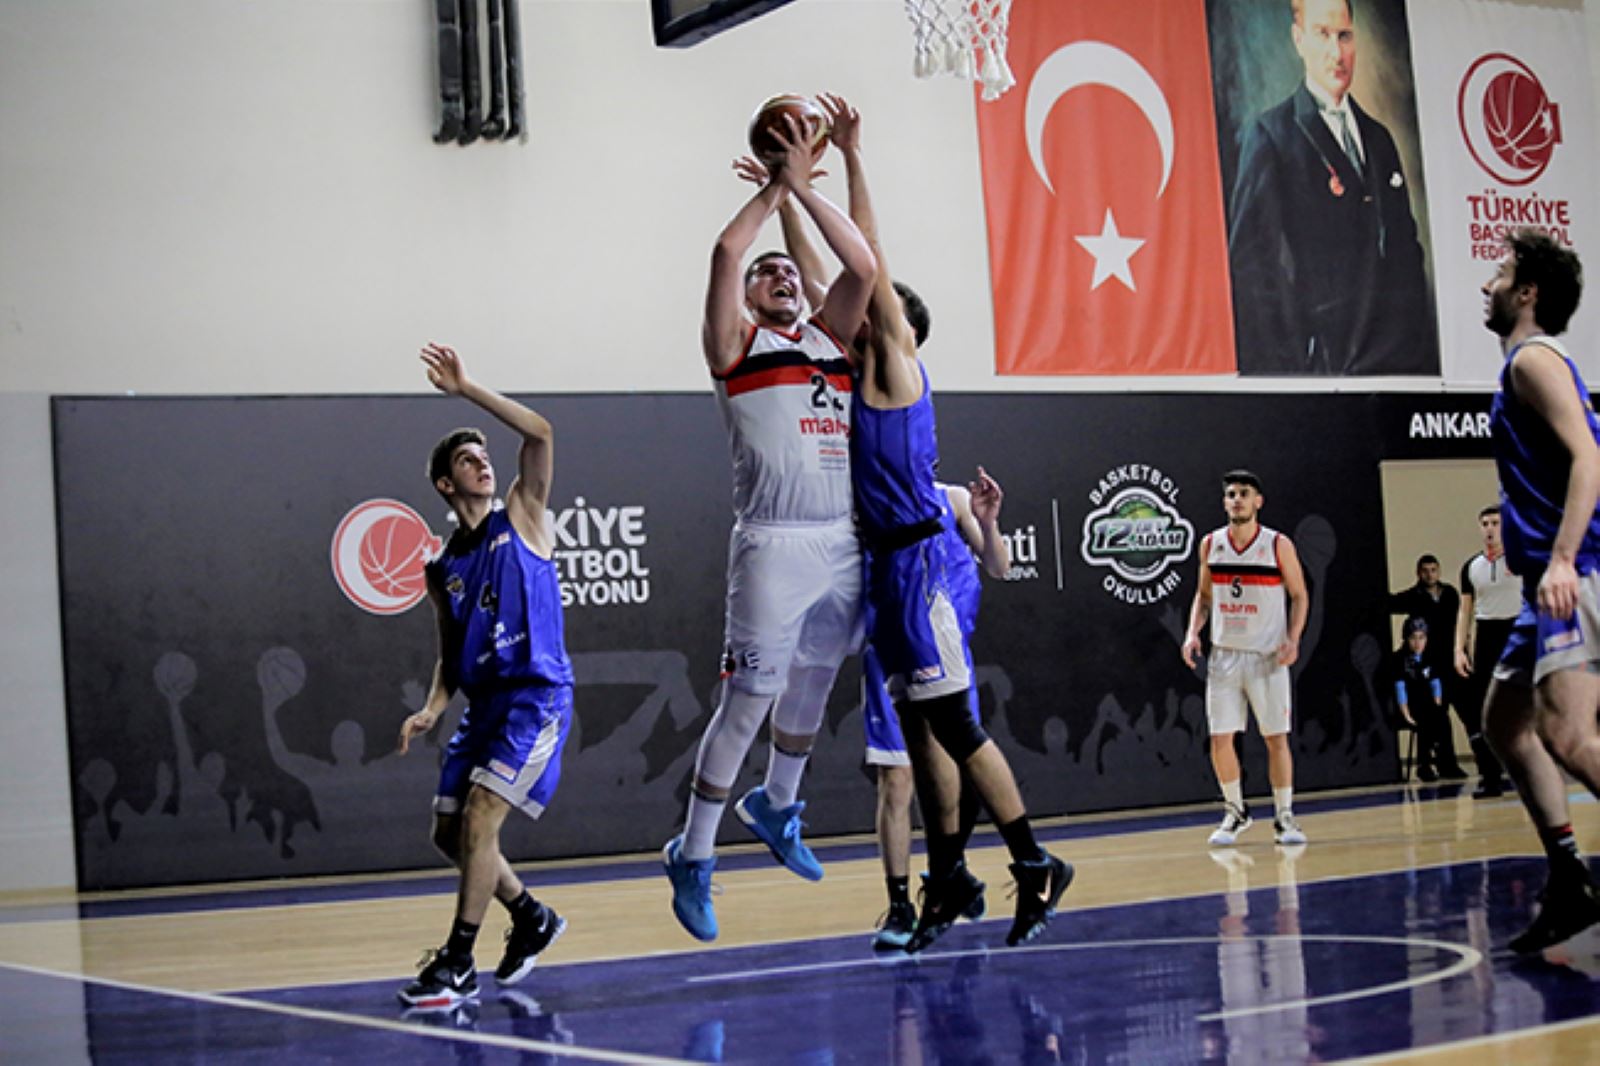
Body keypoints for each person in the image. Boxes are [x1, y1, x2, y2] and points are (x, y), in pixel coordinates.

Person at [795, 93, 1073, 954]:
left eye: (870, 307)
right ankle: (949, 878)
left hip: (917, 569)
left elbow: (866, 260)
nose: (851, 310)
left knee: (956, 727)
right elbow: (823, 280)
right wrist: (785, 191)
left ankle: (1035, 863)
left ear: (896, 325)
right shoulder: (853, 369)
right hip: (885, 572)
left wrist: (841, 163)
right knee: (920, 744)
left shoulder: (897, 366)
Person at [660, 105, 877, 943]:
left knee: (816, 681)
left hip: (840, 537)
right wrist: (774, 193)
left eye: (789, 270)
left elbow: (860, 265)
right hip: (772, 542)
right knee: (747, 703)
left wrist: (803, 192)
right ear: (749, 297)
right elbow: (725, 251)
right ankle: (694, 852)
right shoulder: (736, 347)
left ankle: (778, 805)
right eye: (768, 273)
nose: (780, 274)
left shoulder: (830, 339)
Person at [395, 343, 573, 1010]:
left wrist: (468, 389)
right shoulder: (442, 569)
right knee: (448, 833)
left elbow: (540, 433)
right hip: (483, 706)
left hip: (535, 698)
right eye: (468, 460)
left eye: (484, 455)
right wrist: (432, 707)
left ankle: (458, 961)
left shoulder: (523, 513)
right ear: (446, 484)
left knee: (479, 818)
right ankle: (530, 916)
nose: (482, 463)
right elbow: (450, 654)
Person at [1478, 229, 1600, 953]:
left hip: (1572, 571)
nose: (1486, 284)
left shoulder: (1533, 359)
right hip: (1542, 583)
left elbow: (1589, 456)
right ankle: (1570, 878)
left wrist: (1561, 560)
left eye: (1499, 273)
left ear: (1527, 292)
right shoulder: (1524, 365)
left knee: (1567, 735)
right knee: (1504, 723)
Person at [1227, 0, 1433, 376]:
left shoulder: (1379, 138)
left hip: (1391, 364)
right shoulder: (1271, 135)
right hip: (1319, 367)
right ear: (1299, 40)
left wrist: (1408, 343)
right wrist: (1291, 364)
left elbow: (1405, 249)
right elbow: (1251, 265)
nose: (1336, 53)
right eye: (1322, 35)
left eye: (1344, 36)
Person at [862, 474, 1011, 950]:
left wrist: (989, 523)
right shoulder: (871, 501)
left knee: (960, 774)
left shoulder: (954, 499)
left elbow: (999, 566)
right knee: (897, 777)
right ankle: (900, 905)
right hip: (891, 650)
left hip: (948, 654)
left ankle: (949, 874)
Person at [1182, 470, 1311, 847]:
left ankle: (1284, 816)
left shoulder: (1277, 544)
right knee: (1220, 739)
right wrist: (1192, 632)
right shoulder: (1211, 544)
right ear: (1224, 502)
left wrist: (1293, 639)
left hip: (1266, 656)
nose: (1236, 499)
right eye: (1231, 494)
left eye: (1244, 493)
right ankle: (1235, 811)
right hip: (1224, 656)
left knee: (1275, 739)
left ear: (1258, 501)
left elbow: (1300, 595)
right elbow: (1204, 595)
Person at [1455, 505, 1519, 798]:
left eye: (1495, 522)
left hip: (1516, 631)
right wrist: (1459, 649)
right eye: (1485, 523)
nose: (1490, 529)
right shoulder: (1471, 567)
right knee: (1482, 709)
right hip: (1487, 635)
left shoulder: (1521, 559)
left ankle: (1526, 772)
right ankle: (1490, 776)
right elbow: (1464, 611)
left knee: (1523, 706)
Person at [1387, 554, 1466, 778]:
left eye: (1433, 570)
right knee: (1434, 713)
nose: (1430, 575)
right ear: (1418, 573)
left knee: (1456, 712)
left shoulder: (1450, 594)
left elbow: (1460, 622)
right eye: (1425, 570)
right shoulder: (1414, 596)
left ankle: (1447, 763)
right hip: (1428, 664)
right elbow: (1390, 603)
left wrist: (1463, 650)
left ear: (1438, 571)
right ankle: (1431, 763)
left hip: (1451, 661)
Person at [1392, 618, 1450, 782]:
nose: (1418, 643)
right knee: (1425, 719)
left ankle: (1441, 760)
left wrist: (1437, 707)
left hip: (1427, 704)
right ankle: (1424, 765)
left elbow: (1436, 684)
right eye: (1413, 638)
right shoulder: (1399, 659)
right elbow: (1400, 688)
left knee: (1438, 716)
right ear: (1406, 638)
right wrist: (1406, 714)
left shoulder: (1430, 656)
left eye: (1422, 638)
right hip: (1407, 706)